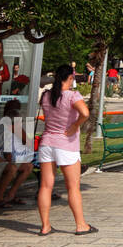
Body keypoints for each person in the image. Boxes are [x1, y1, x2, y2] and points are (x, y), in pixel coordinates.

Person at [37, 65, 94, 236]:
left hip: (47, 143)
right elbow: (85, 112)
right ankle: (81, 224)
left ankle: (45, 226)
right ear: (71, 77)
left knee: (46, 186)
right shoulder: (72, 95)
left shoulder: (46, 95)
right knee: (73, 187)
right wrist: (75, 125)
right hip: (66, 145)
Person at [0, 100, 35, 207]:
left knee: (28, 166)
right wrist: (9, 162)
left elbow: (27, 143)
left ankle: (11, 195)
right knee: (12, 168)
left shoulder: (12, 130)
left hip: (4, 159)